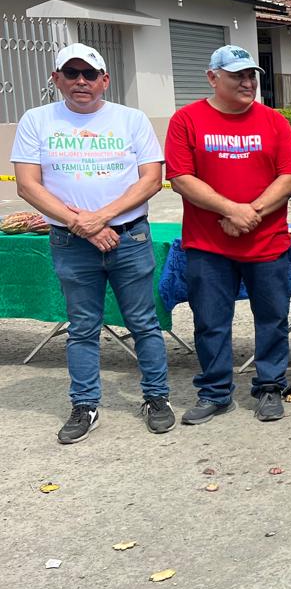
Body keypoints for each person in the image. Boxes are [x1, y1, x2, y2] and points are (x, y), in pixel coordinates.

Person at [10, 43, 173, 443]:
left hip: (129, 236)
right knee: (83, 327)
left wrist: (102, 217)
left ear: (105, 80)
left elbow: (151, 179)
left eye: (89, 74)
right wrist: (82, 224)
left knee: (143, 322)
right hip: (71, 241)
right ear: (57, 79)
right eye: (71, 73)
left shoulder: (131, 119)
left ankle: (156, 397)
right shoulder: (36, 120)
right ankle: (85, 404)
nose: (80, 81)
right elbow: (28, 185)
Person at [165, 45, 291, 425]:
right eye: (237, 76)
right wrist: (230, 210)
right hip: (208, 246)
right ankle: (215, 391)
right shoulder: (186, 120)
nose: (247, 83)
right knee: (210, 321)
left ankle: (270, 386)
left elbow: (289, 177)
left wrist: (249, 213)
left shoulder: (274, 121)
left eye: (251, 75)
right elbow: (180, 178)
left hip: (266, 242)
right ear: (213, 77)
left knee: (272, 318)